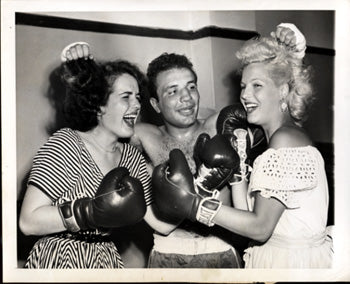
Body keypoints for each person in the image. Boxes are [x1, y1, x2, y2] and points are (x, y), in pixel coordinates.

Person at [61, 23, 306, 268]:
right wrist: (81, 74)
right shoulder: (142, 136)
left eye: (191, 87)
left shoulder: (222, 123)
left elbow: (275, 103)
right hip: (167, 252)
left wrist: (294, 47)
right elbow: (95, 125)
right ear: (155, 105)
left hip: (222, 249)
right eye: (173, 91)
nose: (186, 98)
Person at [152, 33, 334, 268]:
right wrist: (236, 171)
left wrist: (195, 205)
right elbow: (247, 217)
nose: (245, 95)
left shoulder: (286, 140)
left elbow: (259, 228)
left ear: (282, 91)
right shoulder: (278, 142)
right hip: (275, 260)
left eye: (257, 85)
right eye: (244, 86)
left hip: (294, 266)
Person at [19, 56, 175, 268]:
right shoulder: (67, 144)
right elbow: (28, 221)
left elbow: (161, 225)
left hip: (106, 260)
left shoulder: (132, 157)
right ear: (100, 105)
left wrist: (200, 189)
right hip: (58, 259)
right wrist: (89, 212)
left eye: (138, 97)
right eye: (126, 97)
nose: (137, 105)